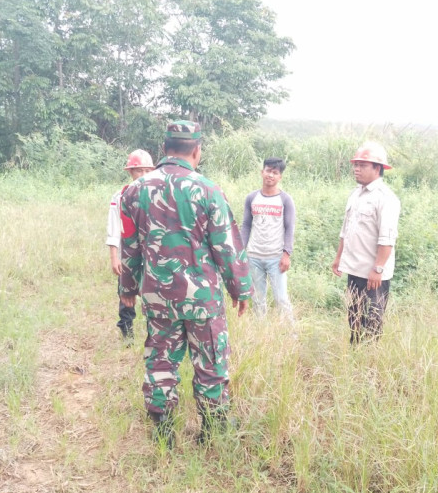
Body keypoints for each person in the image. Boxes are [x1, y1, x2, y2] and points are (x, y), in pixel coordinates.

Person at [118, 120, 252, 446]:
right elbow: (227, 247)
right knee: (210, 360)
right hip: (202, 299)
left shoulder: (134, 191)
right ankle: (213, 430)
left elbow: (130, 248)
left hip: (157, 295)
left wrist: (127, 291)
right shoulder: (208, 190)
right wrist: (241, 289)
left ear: (164, 149)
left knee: (161, 357)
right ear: (197, 150)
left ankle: (163, 427)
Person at [331, 142, 401, 344]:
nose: (356, 169)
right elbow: (346, 230)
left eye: (363, 165)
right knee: (354, 319)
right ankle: (355, 358)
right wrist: (338, 258)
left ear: (377, 168)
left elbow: (387, 239)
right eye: (356, 165)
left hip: (373, 274)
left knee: (372, 321)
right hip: (355, 269)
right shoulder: (356, 194)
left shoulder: (386, 198)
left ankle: (370, 363)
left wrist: (378, 269)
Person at [105, 149, 154, 344]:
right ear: (130, 173)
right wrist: (114, 257)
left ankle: (154, 335)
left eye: (146, 171)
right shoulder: (120, 196)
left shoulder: (157, 195)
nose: (142, 176)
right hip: (128, 253)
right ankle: (127, 333)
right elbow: (114, 228)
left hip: (151, 254)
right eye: (137, 171)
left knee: (153, 294)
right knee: (126, 293)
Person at [240, 157, 296, 319]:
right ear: (262, 172)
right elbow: (246, 225)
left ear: (280, 177)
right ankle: (260, 333)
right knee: (257, 299)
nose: (270, 175)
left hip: (276, 258)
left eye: (275, 172)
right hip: (254, 256)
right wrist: (241, 250)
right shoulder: (251, 198)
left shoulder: (285, 200)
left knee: (281, 299)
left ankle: (290, 336)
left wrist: (286, 254)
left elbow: (289, 227)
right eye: (268, 171)